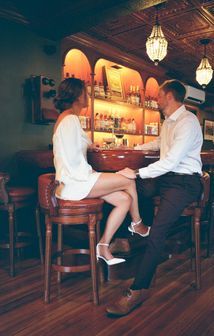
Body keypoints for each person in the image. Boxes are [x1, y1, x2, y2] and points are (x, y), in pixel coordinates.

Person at [106, 79, 203, 315]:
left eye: (158, 95)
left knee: (158, 231)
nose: (156, 99)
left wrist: (138, 171)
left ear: (169, 96)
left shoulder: (188, 121)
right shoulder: (169, 122)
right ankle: (129, 234)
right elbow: (160, 144)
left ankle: (138, 289)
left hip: (185, 183)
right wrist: (133, 150)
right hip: (168, 178)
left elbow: (172, 160)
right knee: (129, 190)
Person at [53, 77, 149, 266]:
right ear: (77, 95)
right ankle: (137, 224)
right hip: (75, 183)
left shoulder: (67, 119)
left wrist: (92, 147)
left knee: (124, 200)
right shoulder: (70, 119)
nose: (87, 96)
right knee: (128, 180)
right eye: (85, 92)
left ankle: (103, 246)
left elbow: (77, 147)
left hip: (75, 180)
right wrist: (96, 174)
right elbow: (73, 161)